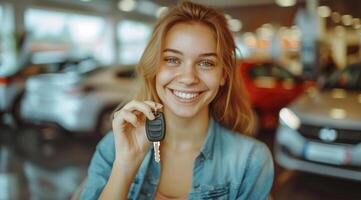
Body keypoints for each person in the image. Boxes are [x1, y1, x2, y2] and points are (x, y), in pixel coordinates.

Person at [80, 1, 274, 200]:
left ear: (223, 74)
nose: (188, 78)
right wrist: (126, 164)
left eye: (206, 63)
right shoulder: (115, 146)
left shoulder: (251, 161)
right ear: (154, 66)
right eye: (172, 60)